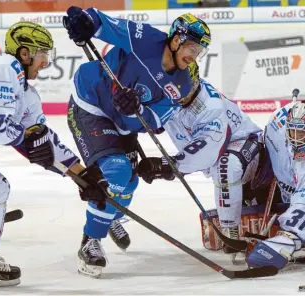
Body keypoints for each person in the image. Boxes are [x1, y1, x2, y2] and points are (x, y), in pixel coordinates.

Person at [62, 6, 211, 277]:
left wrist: (138, 110)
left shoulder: (184, 84)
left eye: (199, 51)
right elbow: (102, 22)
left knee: (130, 179)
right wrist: (84, 21)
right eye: (192, 47)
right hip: (91, 103)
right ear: (176, 39)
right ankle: (91, 241)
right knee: (116, 172)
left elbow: (154, 121)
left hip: (123, 121)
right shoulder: (147, 38)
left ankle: (110, 216)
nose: (194, 56)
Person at [0, 21, 106, 287]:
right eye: (42, 54)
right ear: (25, 52)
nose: (45, 62)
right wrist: (26, 139)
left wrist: (82, 175)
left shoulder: (27, 95)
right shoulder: (3, 67)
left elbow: (43, 140)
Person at [137, 62, 264, 256]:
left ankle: (231, 231)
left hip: (248, 145)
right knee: (222, 166)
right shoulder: (169, 94)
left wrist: (167, 165)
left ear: (195, 80)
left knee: (225, 166)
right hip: (219, 156)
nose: (181, 92)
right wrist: (133, 110)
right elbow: (154, 120)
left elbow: (206, 150)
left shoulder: (210, 106)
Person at [246, 100, 305, 270]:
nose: (296, 139)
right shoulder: (278, 121)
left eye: (302, 133)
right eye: (293, 131)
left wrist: (285, 241)